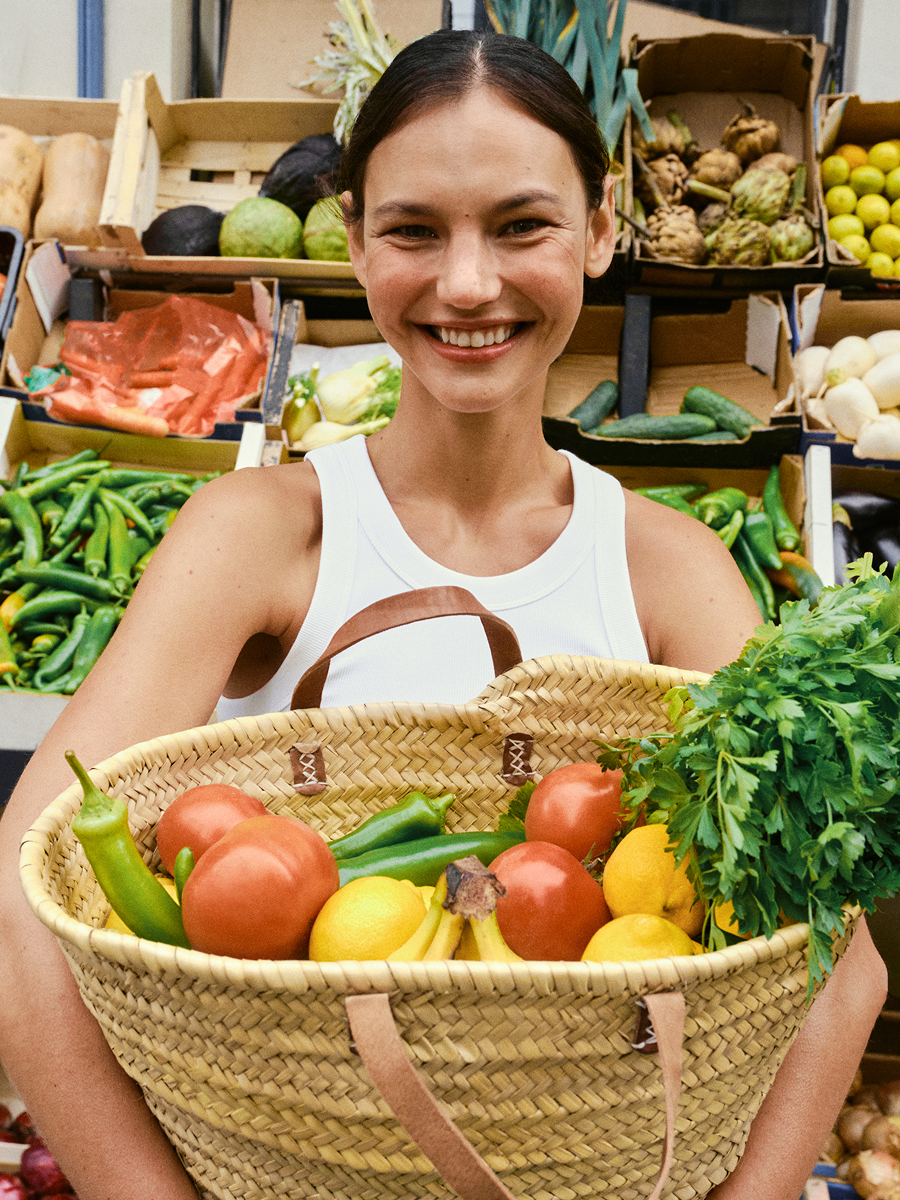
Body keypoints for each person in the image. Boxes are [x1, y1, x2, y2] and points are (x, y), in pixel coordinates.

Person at [0, 28, 885, 1200]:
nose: (469, 284)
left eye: (523, 226)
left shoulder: (669, 573)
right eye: (415, 230)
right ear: (358, 242)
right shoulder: (263, 536)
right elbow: (27, 894)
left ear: (602, 232)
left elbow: (843, 959)